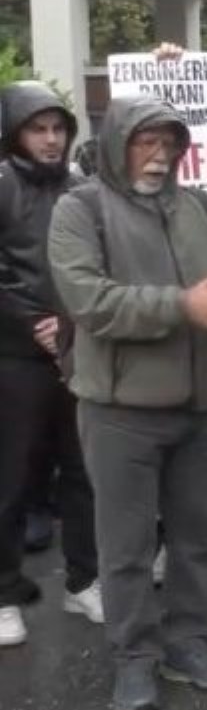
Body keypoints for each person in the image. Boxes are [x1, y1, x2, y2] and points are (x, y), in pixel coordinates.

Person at [49, 94, 207, 710]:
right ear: (117, 142)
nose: (160, 154)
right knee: (127, 544)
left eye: (170, 143)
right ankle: (134, 658)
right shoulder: (80, 207)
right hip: (121, 412)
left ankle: (187, 642)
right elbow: (89, 299)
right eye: (146, 141)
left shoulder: (195, 205)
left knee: (197, 537)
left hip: (201, 407)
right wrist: (183, 307)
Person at [0, 82, 101, 647]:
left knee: (83, 469)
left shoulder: (81, 187)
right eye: (38, 128)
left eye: (58, 128)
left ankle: (84, 579)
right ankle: (5, 590)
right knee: (11, 477)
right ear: (15, 130)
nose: (51, 139)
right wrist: (30, 322)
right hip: (15, 358)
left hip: (77, 349)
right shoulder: (1, 187)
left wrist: (70, 325)